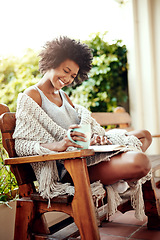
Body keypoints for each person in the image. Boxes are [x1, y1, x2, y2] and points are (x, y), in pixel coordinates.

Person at [13, 36, 152, 219]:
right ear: (51, 62)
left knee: (144, 135)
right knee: (141, 162)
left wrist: (95, 138)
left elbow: (80, 130)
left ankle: (118, 175)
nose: (68, 79)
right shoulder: (31, 96)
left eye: (73, 75)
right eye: (66, 71)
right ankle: (117, 177)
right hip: (70, 166)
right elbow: (22, 145)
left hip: (87, 154)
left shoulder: (63, 96)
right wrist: (59, 146)